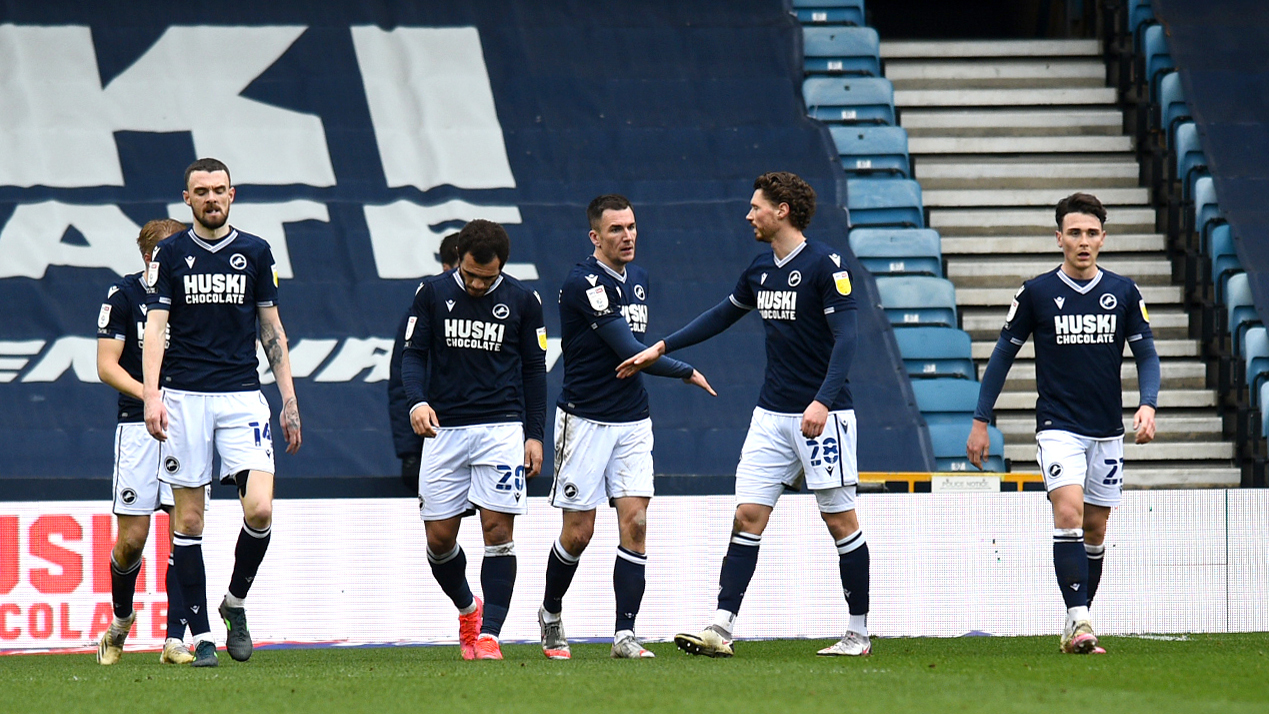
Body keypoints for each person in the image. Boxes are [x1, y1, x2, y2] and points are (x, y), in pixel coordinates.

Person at [618, 171, 869, 657]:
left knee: (840, 522)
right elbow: (720, 315)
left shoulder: (826, 265)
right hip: (771, 414)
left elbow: (848, 339)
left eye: (757, 207)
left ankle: (858, 633)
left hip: (825, 414)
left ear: (783, 211)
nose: (749, 214)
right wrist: (661, 348)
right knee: (747, 515)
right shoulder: (760, 269)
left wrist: (821, 399)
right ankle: (722, 626)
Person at [967, 192, 1159, 655]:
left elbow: (1147, 354)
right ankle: (1079, 620)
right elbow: (1001, 356)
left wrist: (1148, 404)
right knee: (1069, 513)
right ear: (1059, 238)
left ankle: (1078, 624)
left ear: (1103, 238)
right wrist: (980, 419)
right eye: (1074, 233)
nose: (1083, 241)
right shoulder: (1035, 293)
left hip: (1107, 430)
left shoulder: (1125, 293)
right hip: (1058, 426)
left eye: (1092, 233)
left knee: (1095, 529)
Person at [539, 195, 717, 660]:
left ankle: (624, 636)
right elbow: (627, 348)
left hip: (632, 419)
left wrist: (659, 360)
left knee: (635, 522)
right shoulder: (584, 284)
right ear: (595, 237)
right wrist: (683, 369)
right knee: (579, 533)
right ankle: (551, 612)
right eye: (616, 229)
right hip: (583, 419)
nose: (628, 236)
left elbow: (638, 350)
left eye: (632, 226)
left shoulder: (638, 279)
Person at [142, 158, 303, 667]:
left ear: (232, 194)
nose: (211, 198)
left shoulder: (256, 251)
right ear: (186, 199)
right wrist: (151, 394)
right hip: (185, 397)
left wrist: (289, 399)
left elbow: (271, 329)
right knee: (188, 520)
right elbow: (154, 328)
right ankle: (203, 634)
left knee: (259, 508)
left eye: (219, 190)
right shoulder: (169, 253)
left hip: (240, 396)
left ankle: (234, 602)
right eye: (201, 191)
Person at [401, 219, 547, 661]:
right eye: (470, 275)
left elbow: (534, 371)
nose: (479, 284)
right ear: (458, 259)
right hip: (445, 430)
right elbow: (413, 355)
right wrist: (416, 402)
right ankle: (469, 608)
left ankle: (491, 635)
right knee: (439, 540)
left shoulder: (523, 300)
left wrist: (534, 435)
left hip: (500, 429)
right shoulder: (431, 294)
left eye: (488, 276)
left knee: (497, 531)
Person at [95, 218, 195, 666]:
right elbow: (106, 365)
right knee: (133, 539)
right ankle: (120, 619)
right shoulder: (124, 295)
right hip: (138, 425)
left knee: (184, 533)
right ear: (153, 257)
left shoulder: (193, 299)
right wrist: (150, 396)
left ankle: (174, 639)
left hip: (188, 424)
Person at [388, 232, 460, 494]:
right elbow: (401, 383)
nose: (473, 281)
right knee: (439, 532)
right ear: (446, 267)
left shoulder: (504, 308)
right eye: (463, 269)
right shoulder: (420, 312)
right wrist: (410, 451)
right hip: (432, 441)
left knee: (492, 526)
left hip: (484, 436)